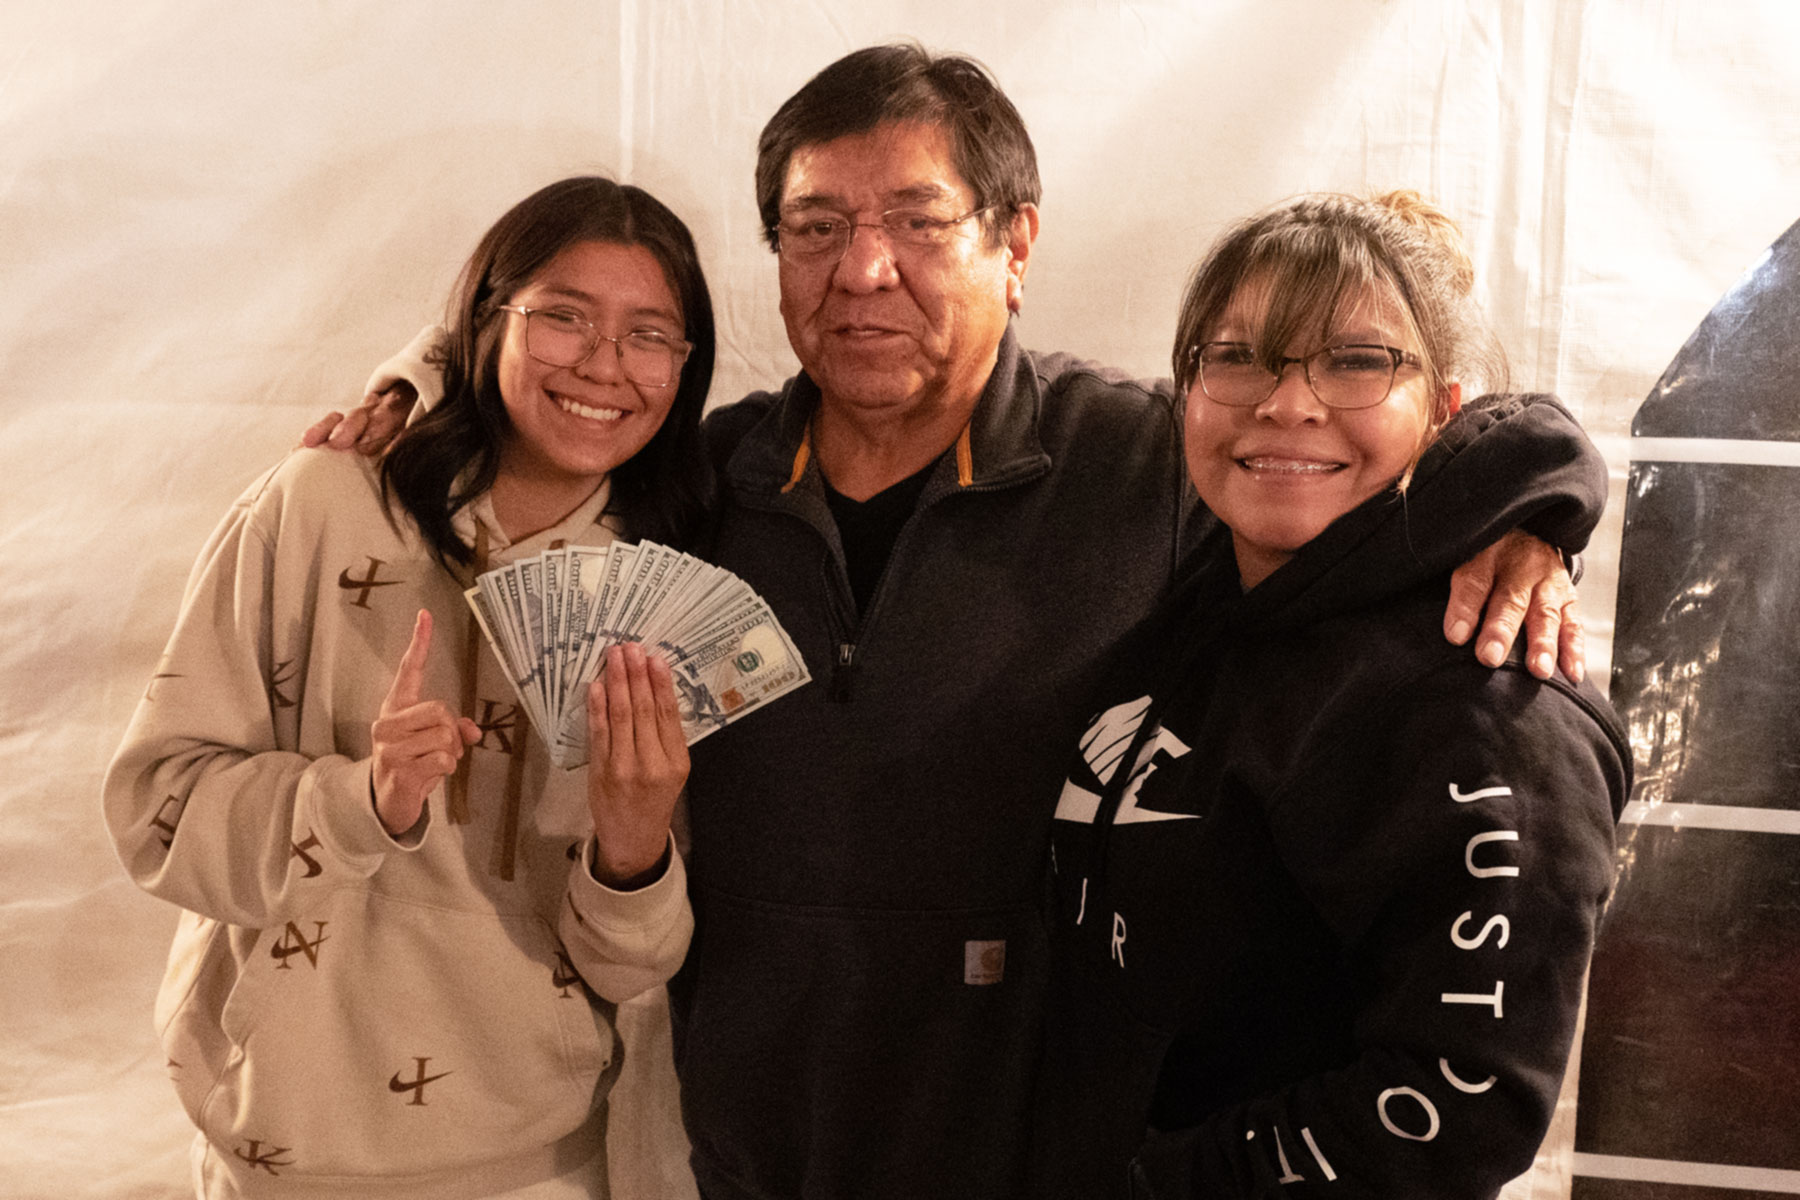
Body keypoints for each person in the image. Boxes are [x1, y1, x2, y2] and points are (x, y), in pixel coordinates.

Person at [305, 46, 1593, 1200]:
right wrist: (416, 384)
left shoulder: (1154, 462)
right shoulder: (700, 481)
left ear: (1016, 244)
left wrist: (1533, 506)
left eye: (919, 222)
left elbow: (1358, 433)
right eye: (816, 228)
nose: (863, 270)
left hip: (1047, 1153)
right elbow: (563, 394)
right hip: (748, 1140)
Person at [104, 176, 715, 1199]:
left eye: (649, 336)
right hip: (283, 1151)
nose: (605, 365)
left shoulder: (669, 587)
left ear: (685, 368)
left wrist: (635, 847)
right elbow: (154, 812)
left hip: (543, 1160)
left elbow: (631, 969)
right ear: (488, 318)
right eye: (564, 316)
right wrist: (359, 802)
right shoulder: (320, 504)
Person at [1032, 192, 1629, 1198]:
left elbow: (1457, 1111)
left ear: (1442, 408)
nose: (1287, 403)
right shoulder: (1201, 602)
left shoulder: (1490, 708)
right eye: (1240, 357)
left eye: (1355, 363)